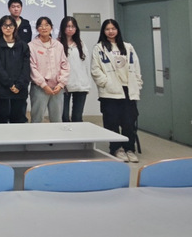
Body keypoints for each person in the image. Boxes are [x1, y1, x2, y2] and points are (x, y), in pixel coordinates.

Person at [90, 19, 142, 163]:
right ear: (103, 31)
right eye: (107, 29)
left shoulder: (128, 47)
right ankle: (116, 148)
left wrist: (138, 83)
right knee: (111, 122)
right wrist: (106, 83)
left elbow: (136, 67)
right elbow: (95, 69)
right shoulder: (99, 48)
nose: (111, 31)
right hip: (110, 92)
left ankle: (129, 149)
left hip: (128, 90)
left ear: (117, 30)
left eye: (113, 28)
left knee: (129, 122)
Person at [0, 15, 30, 123]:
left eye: (10, 25)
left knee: (18, 120)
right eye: (5, 25)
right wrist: (9, 84)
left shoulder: (23, 45)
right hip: (1, 88)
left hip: (20, 89)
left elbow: (26, 68)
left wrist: (19, 85)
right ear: (0, 27)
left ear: (15, 27)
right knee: (0, 120)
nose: (8, 28)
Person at [28, 17, 70, 123]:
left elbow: (65, 65)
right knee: (37, 119)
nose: (44, 28)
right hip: (39, 88)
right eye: (41, 25)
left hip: (57, 88)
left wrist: (61, 84)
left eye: (47, 25)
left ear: (51, 27)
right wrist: (44, 85)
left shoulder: (58, 45)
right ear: (37, 29)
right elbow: (32, 68)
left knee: (57, 119)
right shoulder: (31, 46)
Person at [58, 16, 91, 123]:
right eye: (68, 26)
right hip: (63, 86)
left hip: (80, 85)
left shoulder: (81, 44)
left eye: (73, 26)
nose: (70, 29)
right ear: (63, 28)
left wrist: (87, 83)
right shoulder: (57, 44)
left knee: (77, 117)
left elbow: (86, 64)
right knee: (64, 117)